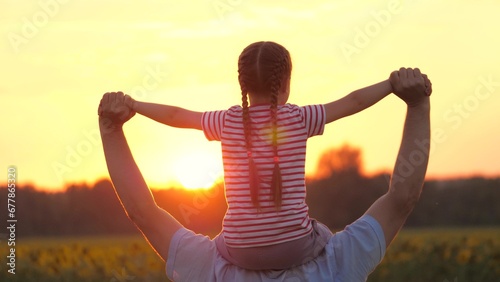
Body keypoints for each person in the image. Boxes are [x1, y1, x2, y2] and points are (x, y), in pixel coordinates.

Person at [98, 66, 431, 281]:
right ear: (284, 85)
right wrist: (417, 104)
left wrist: (112, 128)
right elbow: (402, 198)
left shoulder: (208, 269)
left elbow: (142, 212)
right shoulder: (337, 265)